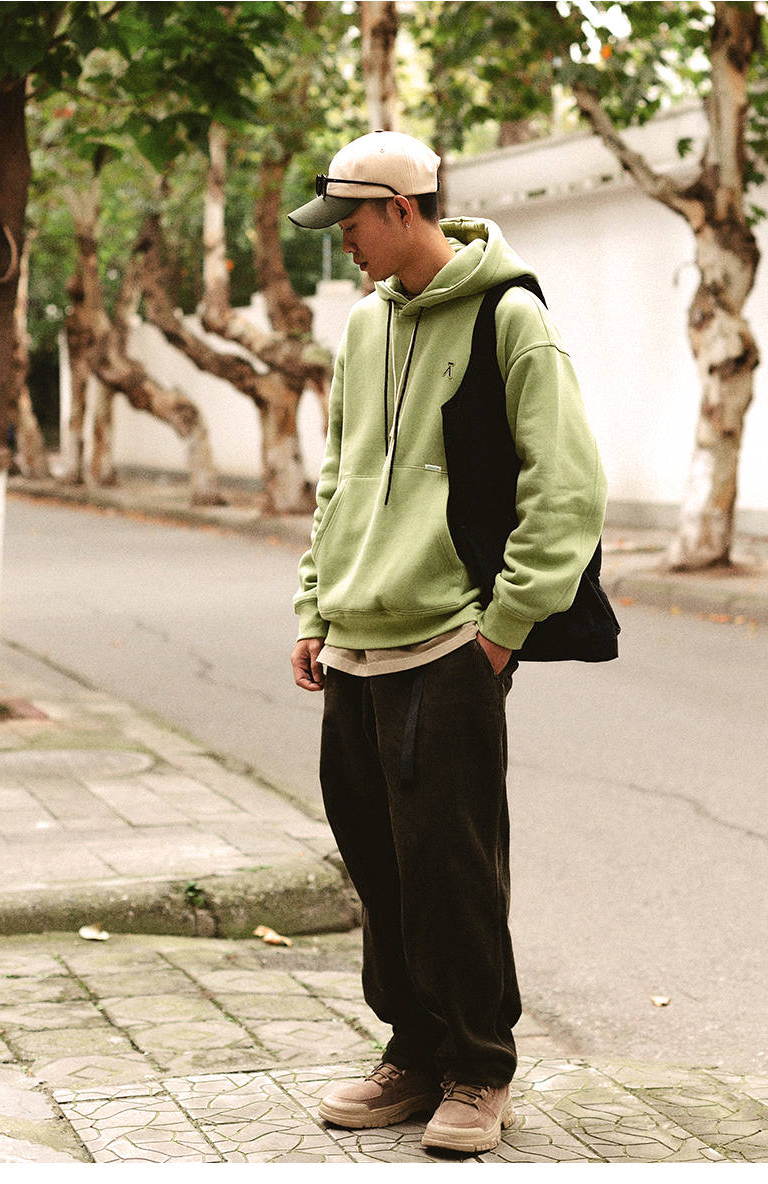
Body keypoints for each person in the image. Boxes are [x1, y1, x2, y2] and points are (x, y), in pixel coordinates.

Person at [288, 130, 618, 1155]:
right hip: (355, 637)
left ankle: (480, 1064)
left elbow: (569, 488)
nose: (342, 241)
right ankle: (414, 1048)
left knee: (452, 868)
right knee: (379, 863)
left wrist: (502, 628)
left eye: (350, 221)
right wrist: (314, 606)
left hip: (449, 639)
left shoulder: (509, 315)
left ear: (401, 207)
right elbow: (339, 476)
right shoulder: (362, 324)